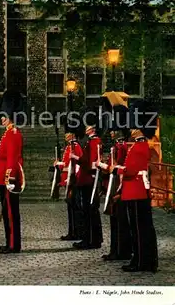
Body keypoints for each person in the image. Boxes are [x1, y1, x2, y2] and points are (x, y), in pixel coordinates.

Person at [112, 100, 158, 273]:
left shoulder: (139, 147)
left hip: (136, 192)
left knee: (139, 230)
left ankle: (141, 262)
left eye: (132, 127)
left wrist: (116, 168)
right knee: (138, 229)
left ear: (138, 128)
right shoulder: (138, 145)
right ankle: (140, 259)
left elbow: (131, 170)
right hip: (134, 192)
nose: (130, 130)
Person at [97, 105, 132, 261]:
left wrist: (103, 166)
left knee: (120, 221)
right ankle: (116, 249)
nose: (111, 132)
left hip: (119, 187)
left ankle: (121, 251)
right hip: (113, 185)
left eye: (113, 130)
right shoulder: (117, 146)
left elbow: (119, 169)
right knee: (115, 220)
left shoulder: (122, 147)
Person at [0, 113, 24, 254]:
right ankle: (10, 242)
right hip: (3, 175)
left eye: (4, 117)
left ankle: (12, 244)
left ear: (10, 118)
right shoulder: (8, 133)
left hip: (8, 177)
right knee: (7, 212)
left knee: (11, 212)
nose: (1, 119)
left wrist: (10, 178)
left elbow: (12, 157)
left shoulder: (13, 133)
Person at [71, 109, 103, 249]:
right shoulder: (90, 141)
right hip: (86, 179)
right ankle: (90, 238)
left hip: (89, 179)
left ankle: (91, 239)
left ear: (91, 128)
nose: (85, 128)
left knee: (90, 210)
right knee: (88, 210)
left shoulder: (94, 141)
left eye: (87, 126)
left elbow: (89, 162)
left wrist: (76, 158)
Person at [55, 122, 83, 241]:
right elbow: (67, 164)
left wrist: (71, 179)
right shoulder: (68, 147)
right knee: (70, 207)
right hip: (67, 180)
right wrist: (59, 163)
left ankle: (77, 232)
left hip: (73, 181)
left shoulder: (75, 146)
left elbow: (78, 165)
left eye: (68, 133)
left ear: (72, 134)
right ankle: (72, 231)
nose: (66, 135)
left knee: (75, 207)